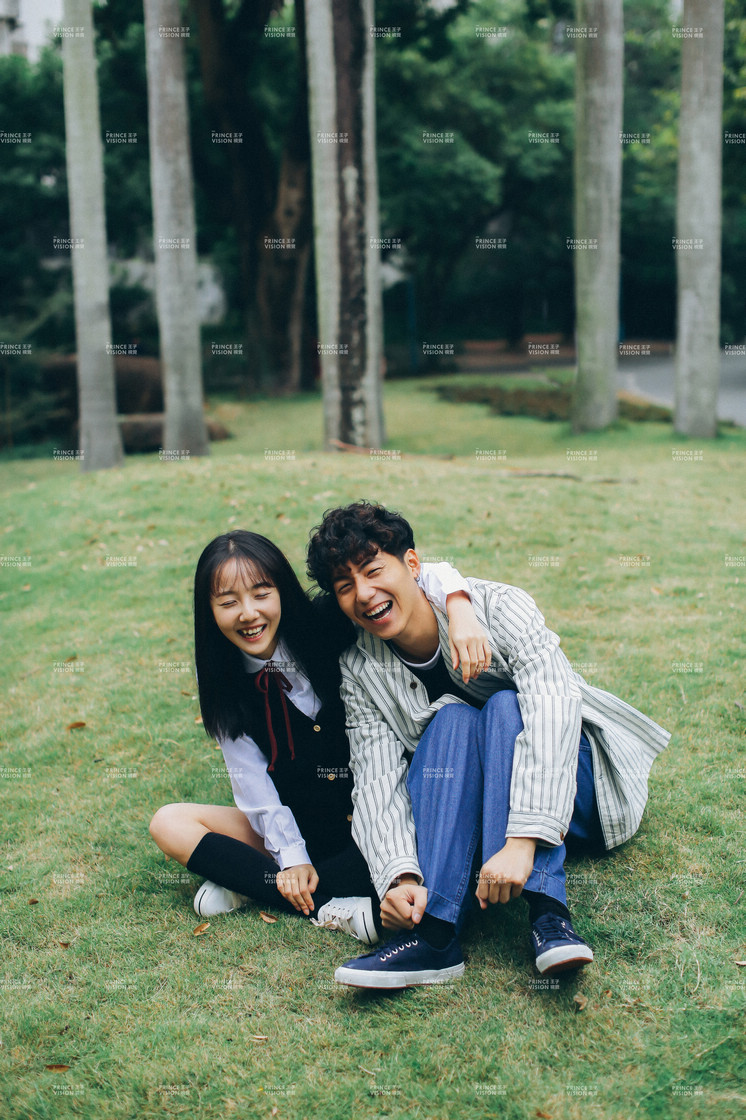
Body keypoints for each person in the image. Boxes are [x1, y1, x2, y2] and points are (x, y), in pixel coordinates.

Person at [305, 501, 671, 986]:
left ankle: (549, 912)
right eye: (345, 586)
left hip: (578, 794)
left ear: (412, 564)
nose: (364, 594)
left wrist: (521, 840)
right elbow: (376, 776)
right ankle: (435, 937)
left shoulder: (498, 607)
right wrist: (398, 876)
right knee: (453, 720)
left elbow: (555, 713)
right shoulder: (359, 669)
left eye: (374, 571)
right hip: (480, 817)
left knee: (503, 706)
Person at [149, 529, 489, 945]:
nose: (248, 614)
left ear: (282, 590)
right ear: (209, 610)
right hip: (302, 826)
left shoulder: (325, 623)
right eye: (228, 603)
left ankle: (248, 880)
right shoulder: (221, 673)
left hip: (380, 817)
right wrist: (291, 856)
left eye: (261, 594)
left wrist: (459, 605)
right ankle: (327, 904)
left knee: (409, 858)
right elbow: (250, 779)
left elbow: (411, 576)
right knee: (169, 823)